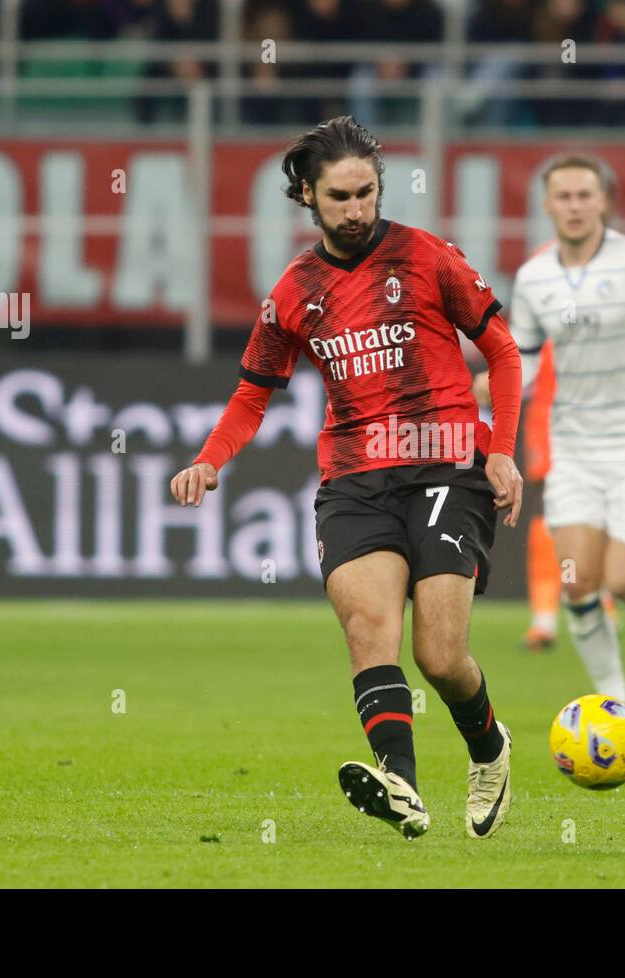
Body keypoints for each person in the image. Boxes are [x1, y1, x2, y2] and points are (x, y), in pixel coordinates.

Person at [171, 116, 523, 841]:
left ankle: (488, 748)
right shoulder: (295, 291)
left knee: (440, 656)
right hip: (355, 477)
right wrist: (210, 459)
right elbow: (252, 392)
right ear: (308, 195)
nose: (358, 208)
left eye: (367, 192)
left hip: (448, 464)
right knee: (369, 628)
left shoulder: (427, 256)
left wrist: (503, 450)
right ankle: (403, 786)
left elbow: (503, 350)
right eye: (340, 196)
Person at [475, 153, 625, 704]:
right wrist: (490, 384)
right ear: (546, 206)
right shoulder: (535, 278)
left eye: (586, 195)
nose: (575, 206)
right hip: (574, 448)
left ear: (605, 201)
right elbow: (530, 359)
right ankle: (618, 704)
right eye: (563, 196)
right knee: (576, 581)